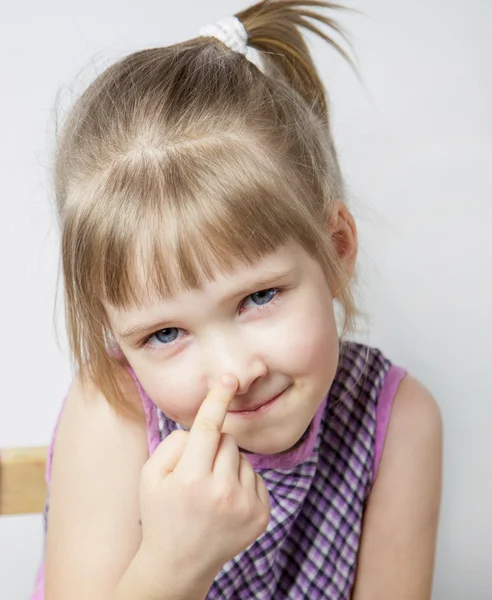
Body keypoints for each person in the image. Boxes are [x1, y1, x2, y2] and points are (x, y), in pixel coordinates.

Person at [31, 1, 443, 599]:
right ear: (114, 331)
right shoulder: (114, 416)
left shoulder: (397, 420)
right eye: (164, 334)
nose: (234, 373)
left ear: (336, 248)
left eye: (259, 297)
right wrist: (176, 564)